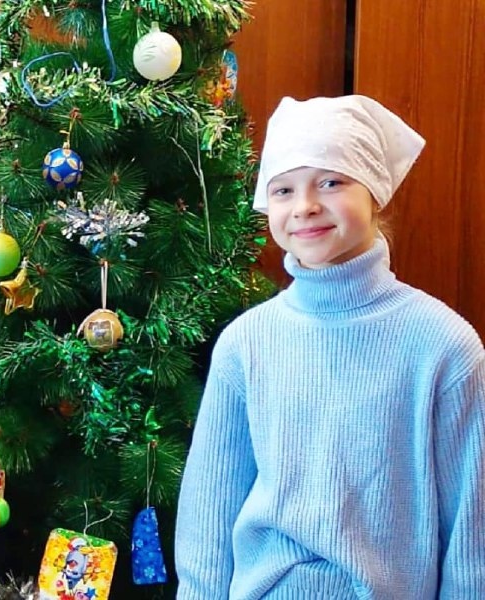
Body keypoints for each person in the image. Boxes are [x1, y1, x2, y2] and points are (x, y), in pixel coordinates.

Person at [174, 95, 485, 598]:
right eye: (283, 190)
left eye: (331, 182)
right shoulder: (246, 343)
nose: (305, 206)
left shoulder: (444, 345)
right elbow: (210, 508)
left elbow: (472, 527)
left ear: (375, 192)